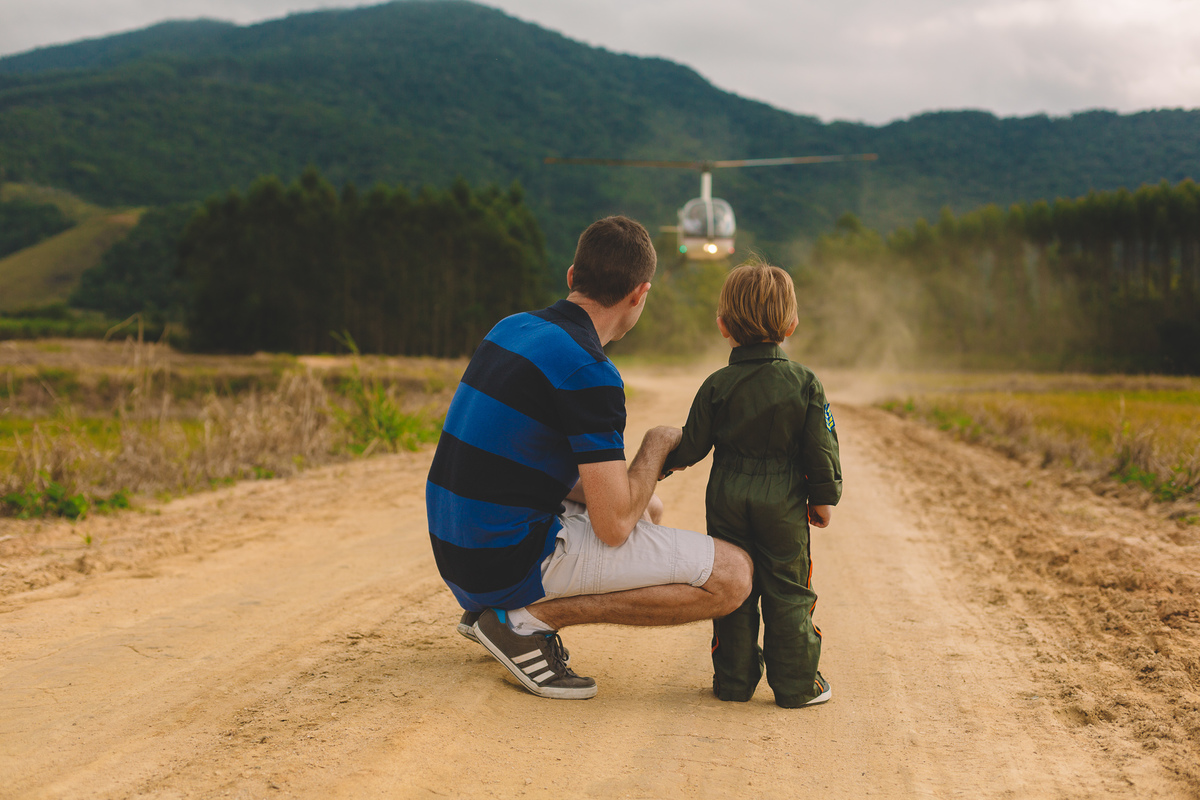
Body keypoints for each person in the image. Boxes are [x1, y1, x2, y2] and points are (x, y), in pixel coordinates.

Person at [425, 215, 753, 700]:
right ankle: (524, 621)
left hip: (458, 553)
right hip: (500, 561)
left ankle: (491, 611)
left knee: (650, 508)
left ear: (572, 277)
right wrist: (657, 444)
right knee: (732, 577)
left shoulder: (511, 327)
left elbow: (519, 462)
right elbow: (614, 526)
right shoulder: (589, 370)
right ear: (639, 294)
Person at [662, 259, 842, 707]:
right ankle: (797, 686)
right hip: (783, 502)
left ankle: (734, 682)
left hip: (727, 498)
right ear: (792, 325)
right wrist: (823, 498)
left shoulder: (717, 385)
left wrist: (661, 462)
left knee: (733, 587)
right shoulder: (805, 383)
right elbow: (821, 449)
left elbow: (692, 446)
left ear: (723, 326)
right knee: (788, 589)